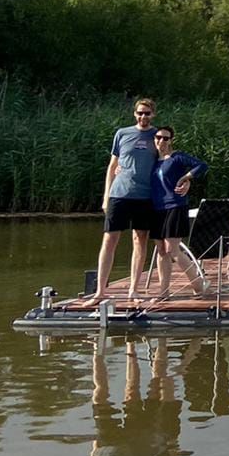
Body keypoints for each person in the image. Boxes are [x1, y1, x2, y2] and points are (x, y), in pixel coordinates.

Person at [80, 97, 160, 307]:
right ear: (135, 114)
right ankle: (100, 291)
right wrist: (106, 195)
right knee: (109, 240)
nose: (143, 117)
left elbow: (166, 161)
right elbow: (112, 165)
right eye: (140, 113)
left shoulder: (158, 135)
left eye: (147, 113)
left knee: (139, 240)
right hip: (120, 194)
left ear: (153, 115)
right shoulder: (122, 134)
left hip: (145, 195)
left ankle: (134, 289)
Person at [149, 124, 210, 299]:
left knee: (172, 249)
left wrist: (186, 178)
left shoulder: (176, 157)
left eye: (165, 138)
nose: (161, 141)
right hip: (157, 208)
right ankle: (163, 292)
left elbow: (201, 166)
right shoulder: (152, 161)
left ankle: (199, 285)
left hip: (175, 205)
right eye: (158, 137)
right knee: (161, 250)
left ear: (171, 140)